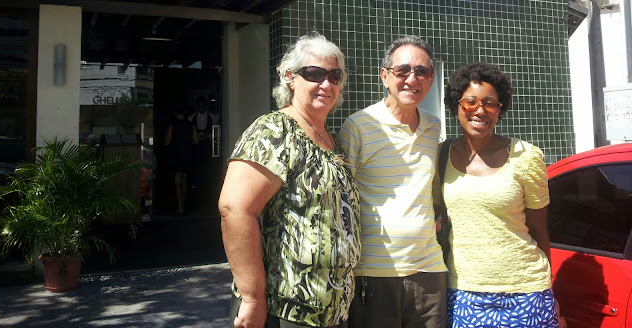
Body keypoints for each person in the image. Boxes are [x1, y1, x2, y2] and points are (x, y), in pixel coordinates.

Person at [218, 33, 360, 328]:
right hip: (285, 310)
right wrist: (252, 297)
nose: (326, 84)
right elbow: (235, 209)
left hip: (331, 312)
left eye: (334, 76)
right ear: (290, 78)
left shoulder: (331, 141)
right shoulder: (275, 130)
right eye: (314, 74)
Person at [338, 35, 447, 328]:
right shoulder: (358, 126)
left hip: (430, 272)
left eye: (422, 71)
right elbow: (341, 201)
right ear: (385, 76)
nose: (412, 79)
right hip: (374, 273)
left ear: (431, 78)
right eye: (403, 70)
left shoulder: (434, 127)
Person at [440, 62, 558, 327]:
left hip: (527, 293)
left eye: (490, 103)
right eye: (470, 102)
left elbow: (540, 231)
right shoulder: (441, 156)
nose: (480, 110)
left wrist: (550, 290)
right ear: (457, 106)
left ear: (500, 108)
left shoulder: (526, 157)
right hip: (464, 292)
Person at [164, 103, 198, 215]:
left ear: (175, 113)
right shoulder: (190, 125)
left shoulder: (173, 125)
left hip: (176, 154)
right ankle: (183, 203)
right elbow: (196, 140)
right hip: (187, 154)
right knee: (184, 180)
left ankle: (180, 206)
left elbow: (167, 141)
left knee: (177, 181)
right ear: (184, 112)